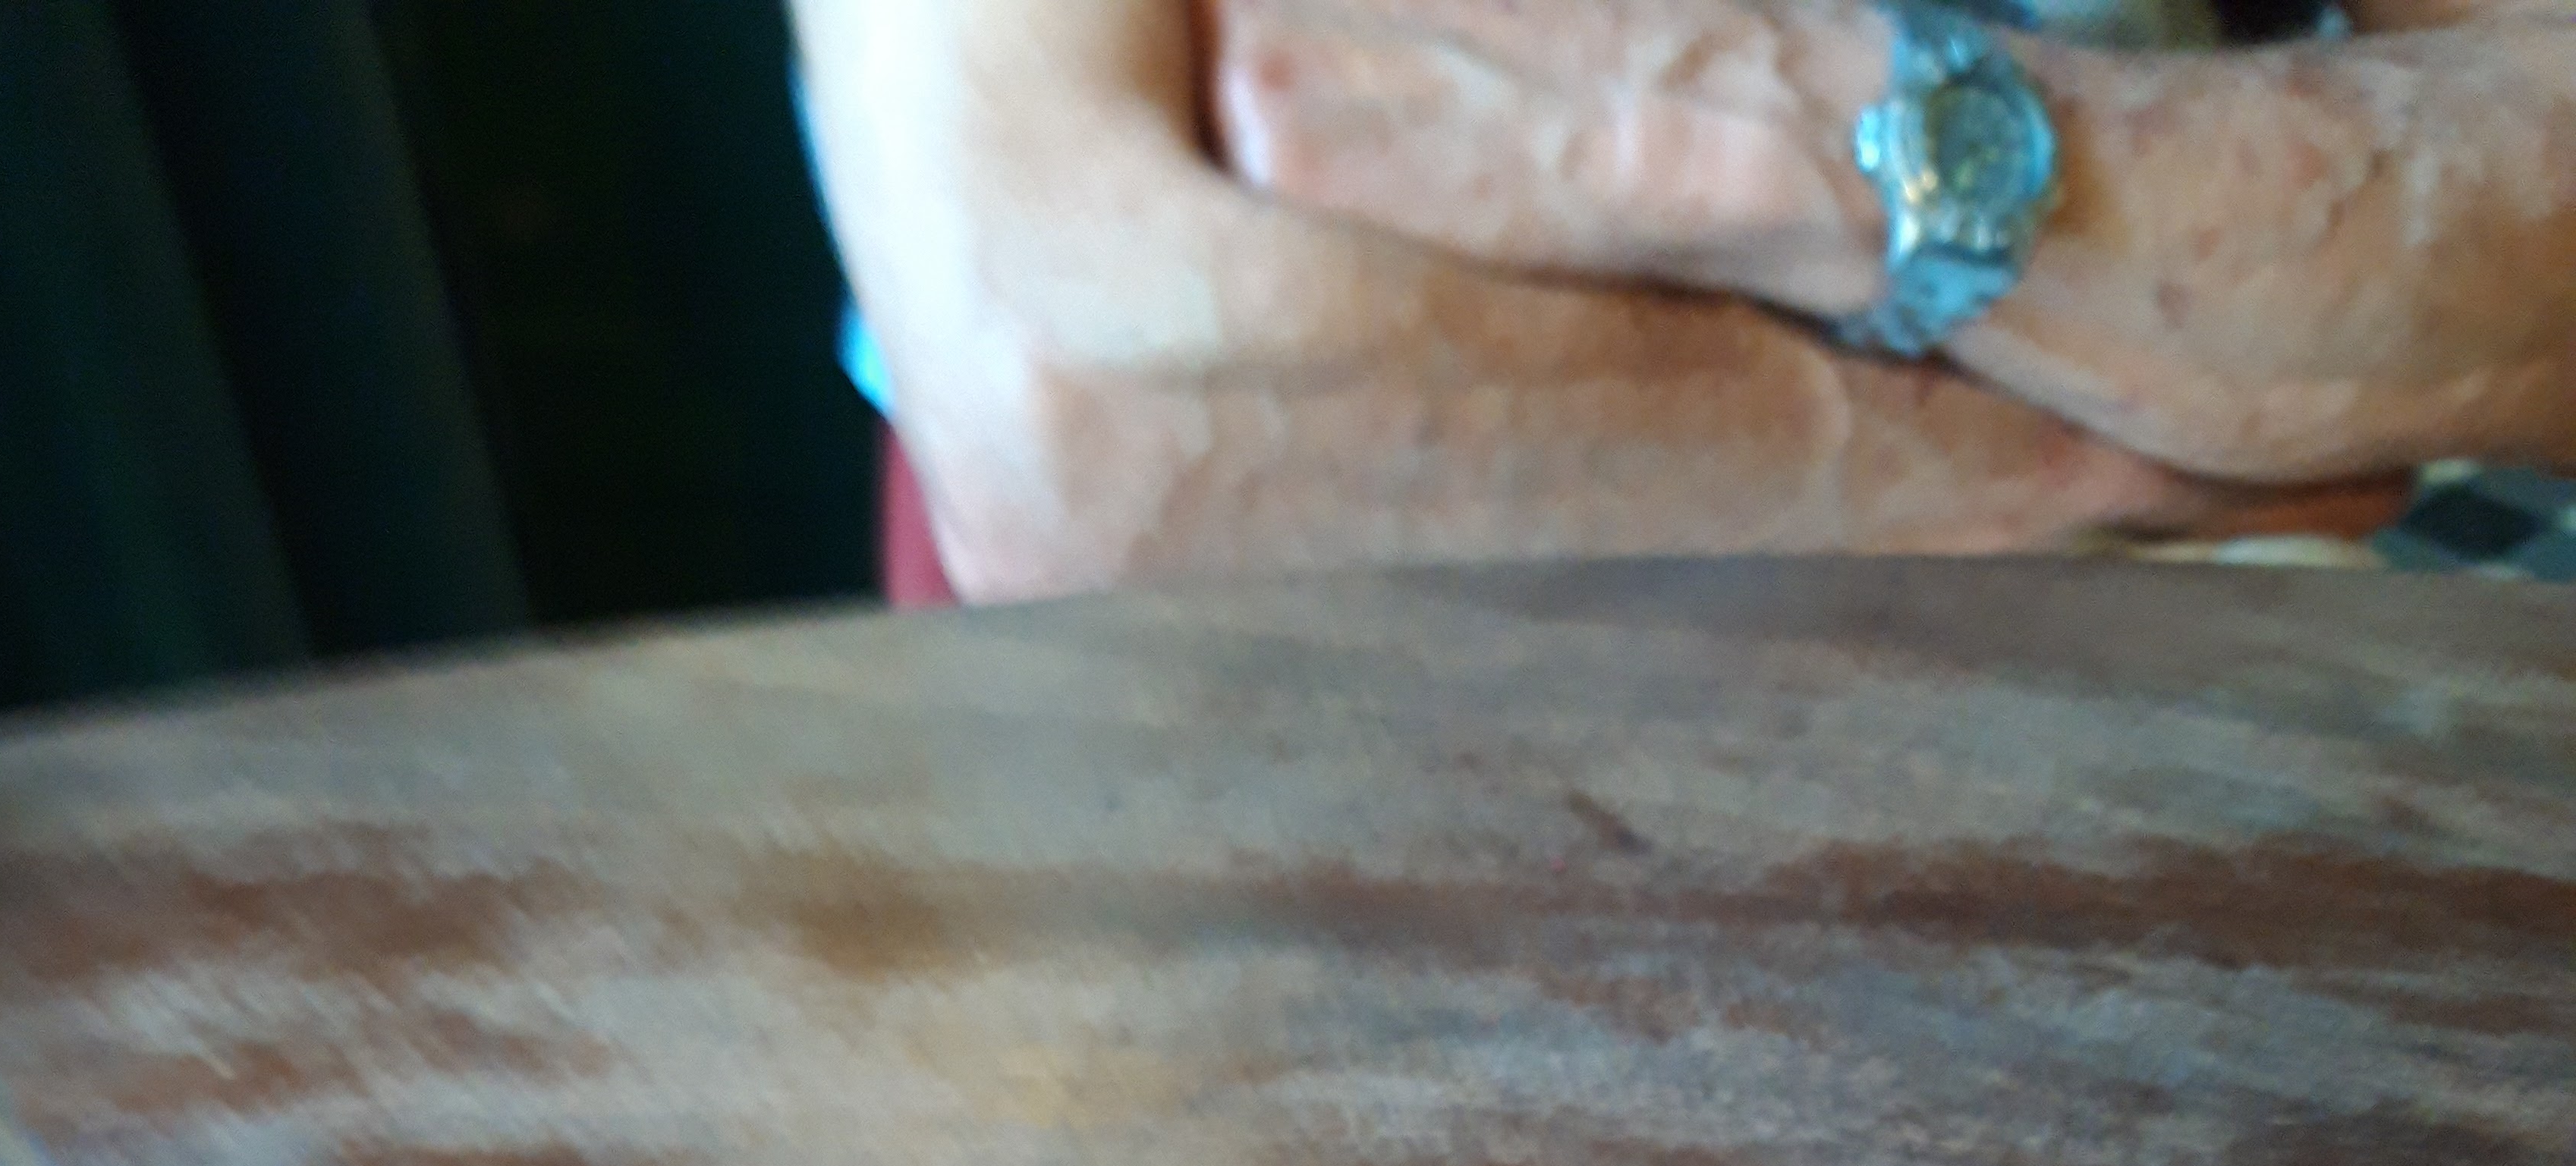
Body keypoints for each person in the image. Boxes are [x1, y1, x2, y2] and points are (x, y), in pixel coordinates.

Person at [789, 0, 2576, 600]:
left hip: (2253, 752)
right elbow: (1084, 418)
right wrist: (2145, 433)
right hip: (1253, 836)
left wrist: (1747, 146)